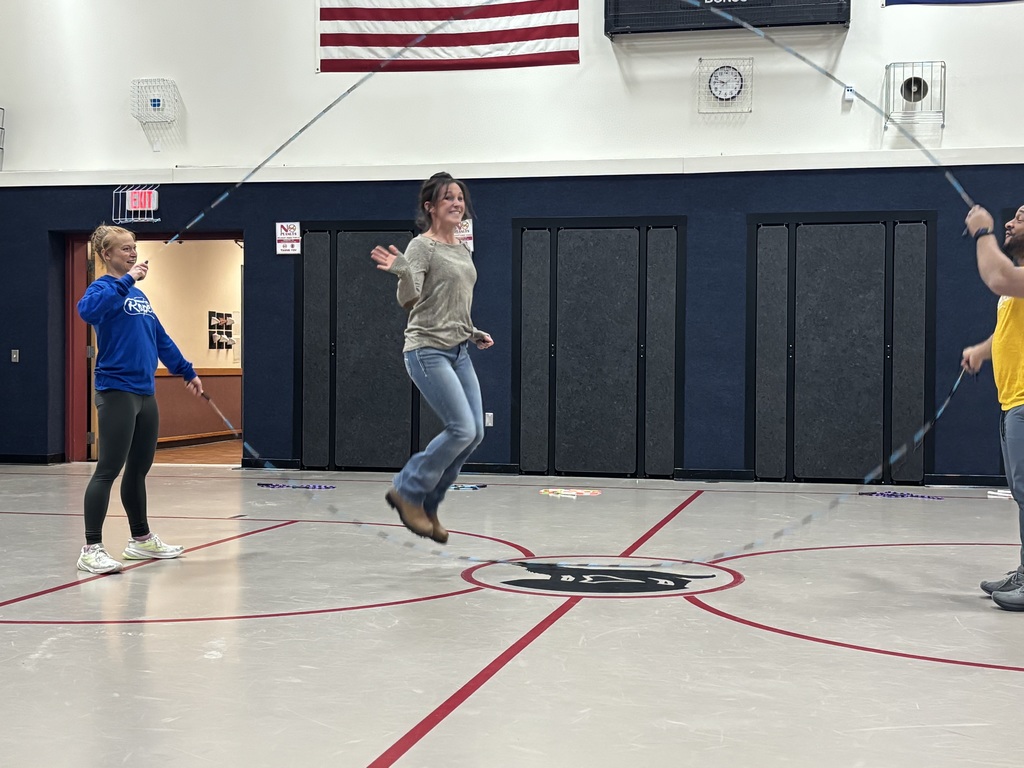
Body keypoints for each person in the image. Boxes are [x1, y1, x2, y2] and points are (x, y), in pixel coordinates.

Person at [371, 172, 494, 544]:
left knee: (475, 434)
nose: (457, 203)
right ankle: (407, 490)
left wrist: (473, 331)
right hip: (427, 350)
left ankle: (429, 504)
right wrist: (403, 272)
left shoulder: (462, 249)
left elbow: (452, 302)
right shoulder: (421, 247)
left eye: (460, 197)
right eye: (447, 199)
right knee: (462, 428)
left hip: (459, 349)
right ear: (431, 207)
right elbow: (409, 300)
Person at [76, 225, 203, 573]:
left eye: (134, 248)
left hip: (145, 393)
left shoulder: (141, 298)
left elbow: (159, 337)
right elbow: (87, 311)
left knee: (138, 471)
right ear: (107, 255)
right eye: (124, 249)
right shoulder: (105, 288)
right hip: (116, 390)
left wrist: (186, 370)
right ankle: (91, 548)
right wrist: (128, 279)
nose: (133, 253)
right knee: (108, 470)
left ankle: (141, 541)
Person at [963, 202, 1024, 610]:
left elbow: (997, 276)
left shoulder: (1012, 278)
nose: (1009, 221)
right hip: (1013, 400)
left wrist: (982, 232)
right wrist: (985, 351)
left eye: (1021, 217)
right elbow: (1008, 329)